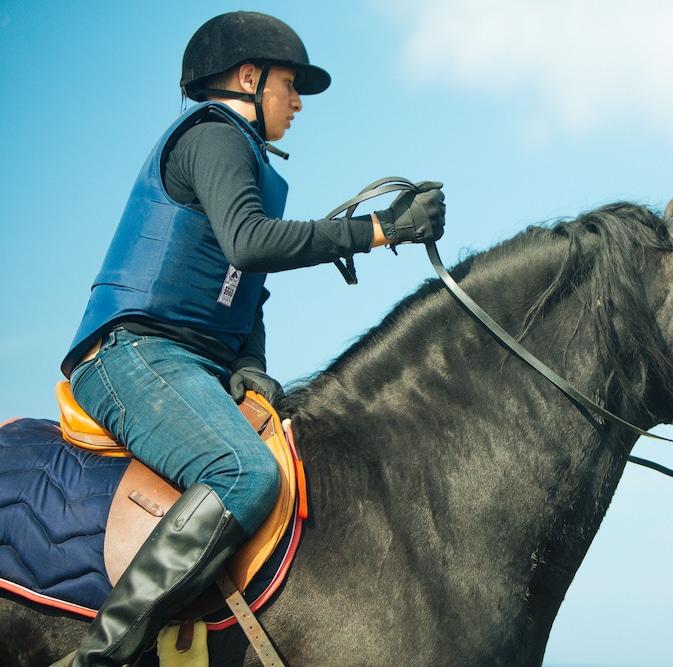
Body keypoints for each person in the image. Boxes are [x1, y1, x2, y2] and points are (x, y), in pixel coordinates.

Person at [57, 11, 445, 666]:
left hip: (187, 364)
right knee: (241, 472)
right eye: (288, 85)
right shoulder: (215, 137)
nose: (295, 102)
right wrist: (379, 229)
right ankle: (98, 655)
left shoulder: (248, 160)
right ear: (247, 77)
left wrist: (251, 362)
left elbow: (246, 283)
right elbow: (250, 241)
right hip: (133, 353)